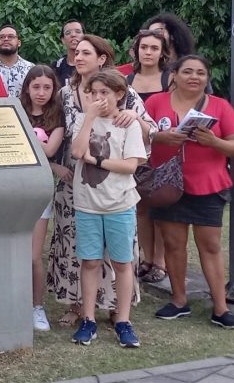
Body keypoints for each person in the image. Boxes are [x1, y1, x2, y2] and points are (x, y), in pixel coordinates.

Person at [47, 35, 154, 328]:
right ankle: (76, 305)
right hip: (72, 181)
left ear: (102, 58)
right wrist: (55, 165)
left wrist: (134, 116)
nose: (77, 57)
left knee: (117, 252)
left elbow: (149, 131)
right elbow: (53, 130)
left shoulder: (125, 92)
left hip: (113, 185)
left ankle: (114, 309)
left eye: (85, 53)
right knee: (76, 247)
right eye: (75, 52)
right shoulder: (66, 93)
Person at [145, 55, 234, 329]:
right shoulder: (156, 103)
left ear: (207, 78)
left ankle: (221, 308)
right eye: (187, 71)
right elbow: (139, 134)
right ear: (174, 75)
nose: (194, 77)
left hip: (208, 185)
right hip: (167, 184)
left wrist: (214, 141)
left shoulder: (220, 107)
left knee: (210, 245)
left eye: (200, 73)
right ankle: (179, 301)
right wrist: (160, 137)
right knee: (174, 245)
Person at [69, 70, 147, 348]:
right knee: (89, 262)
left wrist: (97, 161)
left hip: (120, 203)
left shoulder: (129, 124)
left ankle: (123, 321)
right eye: (94, 93)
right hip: (87, 203)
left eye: (106, 93)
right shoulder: (82, 119)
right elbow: (77, 152)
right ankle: (88, 319)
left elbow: (130, 165)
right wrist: (89, 117)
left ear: (119, 94)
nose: (100, 98)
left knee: (122, 263)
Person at [125, 29, 173, 285]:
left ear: (162, 52)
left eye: (154, 48)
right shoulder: (127, 79)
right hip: (135, 151)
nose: (148, 52)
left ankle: (161, 262)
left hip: (163, 149)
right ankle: (146, 259)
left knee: (160, 207)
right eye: (144, 47)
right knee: (141, 207)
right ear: (137, 50)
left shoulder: (170, 79)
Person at [19, 65, 65, 332]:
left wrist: (25, 140)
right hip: (13, 188)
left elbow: (49, 149)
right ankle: (14, 301)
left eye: (47, 87)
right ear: (27, 88)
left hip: (39, 189)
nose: (41, 92)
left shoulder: (55, 116)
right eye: (36, 87)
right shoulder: (15, 112)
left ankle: (37, 307)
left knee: (34, 255)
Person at [0, 25, 35, 97]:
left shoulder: (31, 69)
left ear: (19, 43)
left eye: (10, 36)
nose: (6, 39)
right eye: (2, 37)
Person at [54, 20, 84, 86]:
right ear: (63, 40)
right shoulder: (56, 67)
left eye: (78, 32)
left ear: (84, 36)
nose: (73, 35)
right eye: (68, 33)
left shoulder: (93, 65)